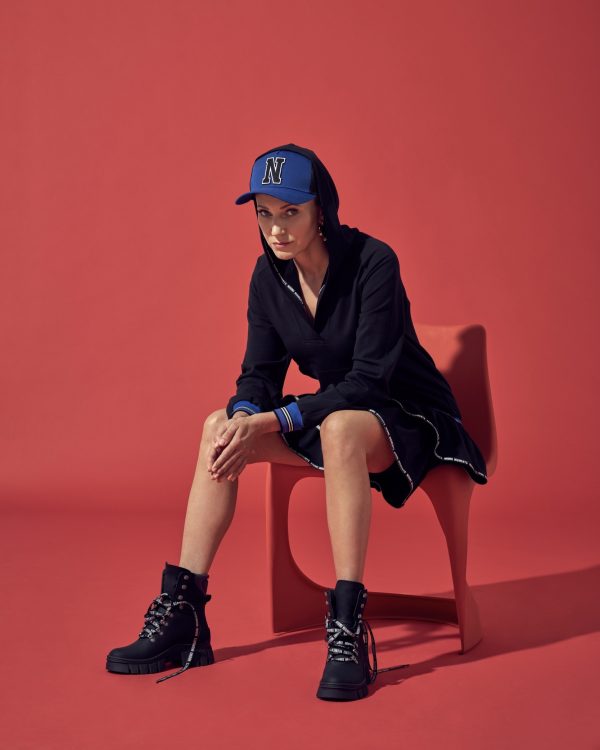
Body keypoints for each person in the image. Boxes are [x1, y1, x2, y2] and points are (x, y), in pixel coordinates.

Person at [106, 143, 488, 701]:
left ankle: (347, 628)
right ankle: (184, 613)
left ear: (321, 210)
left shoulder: (374, 263)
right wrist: (245, 416)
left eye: (291, 212)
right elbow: (258, 374)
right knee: (218, 425)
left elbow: (369, 382)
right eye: (264, 213)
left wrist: (274, 420)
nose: (276, 229)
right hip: (340, 413)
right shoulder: (269, 277)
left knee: (340, 427)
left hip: (412, 417)